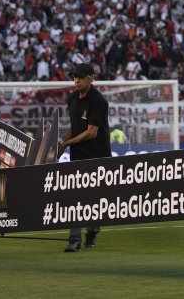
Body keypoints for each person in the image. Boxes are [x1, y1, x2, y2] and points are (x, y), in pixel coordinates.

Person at [57, 63, 111, 252]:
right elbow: (74, 127)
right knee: (75, 197)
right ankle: (74, 239)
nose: (76, 80)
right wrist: (60, 142)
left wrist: (66, 144)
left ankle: (92, 231)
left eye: (80, 77)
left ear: (90, 78)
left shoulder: (98, 101)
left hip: (98, 157)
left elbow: (91, 132)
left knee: (93, 199)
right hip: (77, 156)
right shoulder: (72, 98)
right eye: (74, 77)